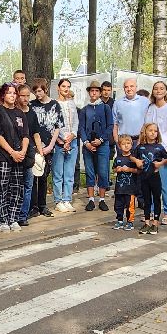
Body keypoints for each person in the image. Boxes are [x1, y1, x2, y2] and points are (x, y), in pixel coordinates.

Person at [0, 84, 29, 231]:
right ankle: (1, 219)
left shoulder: (20, 113)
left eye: (14, 93)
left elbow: (25, 135)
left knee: (17, 188)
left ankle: (13, 217)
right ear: (3, 96)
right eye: (9, 93)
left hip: (18, 156)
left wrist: (23, 151)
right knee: (1, 188)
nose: (12, 95)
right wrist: (11, 152)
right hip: (2, 156)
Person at [27, 79, 62, 219]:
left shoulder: (54, 105)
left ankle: (42, 205)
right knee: (33, 175)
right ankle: (33, 206)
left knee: (43, 176)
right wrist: (35, 146)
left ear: (45, 90)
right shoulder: (31, 105)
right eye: (35, 92)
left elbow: (58, 126)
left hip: (49, 145)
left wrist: (51, 146)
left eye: (39, 91)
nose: (37, 94)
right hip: (34, 146)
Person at [17, 84, 49, 226]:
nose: (25, 98)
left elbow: (36, 134)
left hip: (30, 153)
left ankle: (24, 214)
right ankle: (15, 212)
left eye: (27, 95)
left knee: (28, 184)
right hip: (16, 152)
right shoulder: (14, 112)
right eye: (22, 95)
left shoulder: (32, 113)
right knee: (17, 185)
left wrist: (41, 153)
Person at [78, 81, 112, 212]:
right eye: (92, 91)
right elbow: (81, 127)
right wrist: (86, 142)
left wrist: (101, 139)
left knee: (103, 171)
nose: (94, 93)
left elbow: (110, 126)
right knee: (90, 171)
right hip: (88, 145)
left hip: (102, 144)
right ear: (89, 92)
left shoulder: (105, 108)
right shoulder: (85, 109)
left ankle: (102, 199)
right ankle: (91, 199)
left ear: (100, 92)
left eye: (96, 91)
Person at [145, 80, 167, 207]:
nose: (158, 91)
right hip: (149, 150)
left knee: (164, 183)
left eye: (161, 88)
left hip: (162, 149)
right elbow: (146, 128)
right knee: (150, 183)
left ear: (165, 91)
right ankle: (152, 211)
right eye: (156, 88)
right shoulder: (150, 108)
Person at [133, 121, 167, 234]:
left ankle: (155, 223)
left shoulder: (159, 147)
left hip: (155, 176)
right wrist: (137, 161)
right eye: (150, 130)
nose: (153, 133)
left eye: (155, 131)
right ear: (145, 132)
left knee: (156, 199)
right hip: (143, 177)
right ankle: (147, 222)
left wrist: (160, 164)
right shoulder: (140, 147)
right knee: (146, 200)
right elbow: (132, 156)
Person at [51, 78, 79, 213]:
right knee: (58, 173)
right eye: (63, 86)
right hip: (59, 142)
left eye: (68, 86)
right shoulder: (54, 104)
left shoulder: (72, 104)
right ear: (58, 87)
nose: (66, 88)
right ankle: (58, 200)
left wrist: (72, 136)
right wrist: (62, 139)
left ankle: (67, 199)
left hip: (72, 141)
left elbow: (76, 122)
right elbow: (53, 124)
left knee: (69, 173)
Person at [109, 134, 141, 231]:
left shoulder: (133, 158)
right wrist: (117, 169)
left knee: (130, 206)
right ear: (119, 145)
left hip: (130, 188)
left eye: (128, 143)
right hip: (119, 187)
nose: (126, 146)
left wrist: (129, 169)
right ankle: (119, 220)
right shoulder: (118, 158)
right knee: (118, 205)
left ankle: (130, 221)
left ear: (132, 144)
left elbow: (138, 171)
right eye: (123, 144)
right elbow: (113, 169)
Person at [112, 76, 150, 145]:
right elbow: (115, 123)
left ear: (136, 87)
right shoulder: (117, 103)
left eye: (131, 86)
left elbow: (148, 122)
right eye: (126, 87)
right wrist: (117, 140)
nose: (129, 89)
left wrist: (142, 139)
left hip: (140, 140)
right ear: (124, 89)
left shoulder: (145, 101)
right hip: (123, 141)